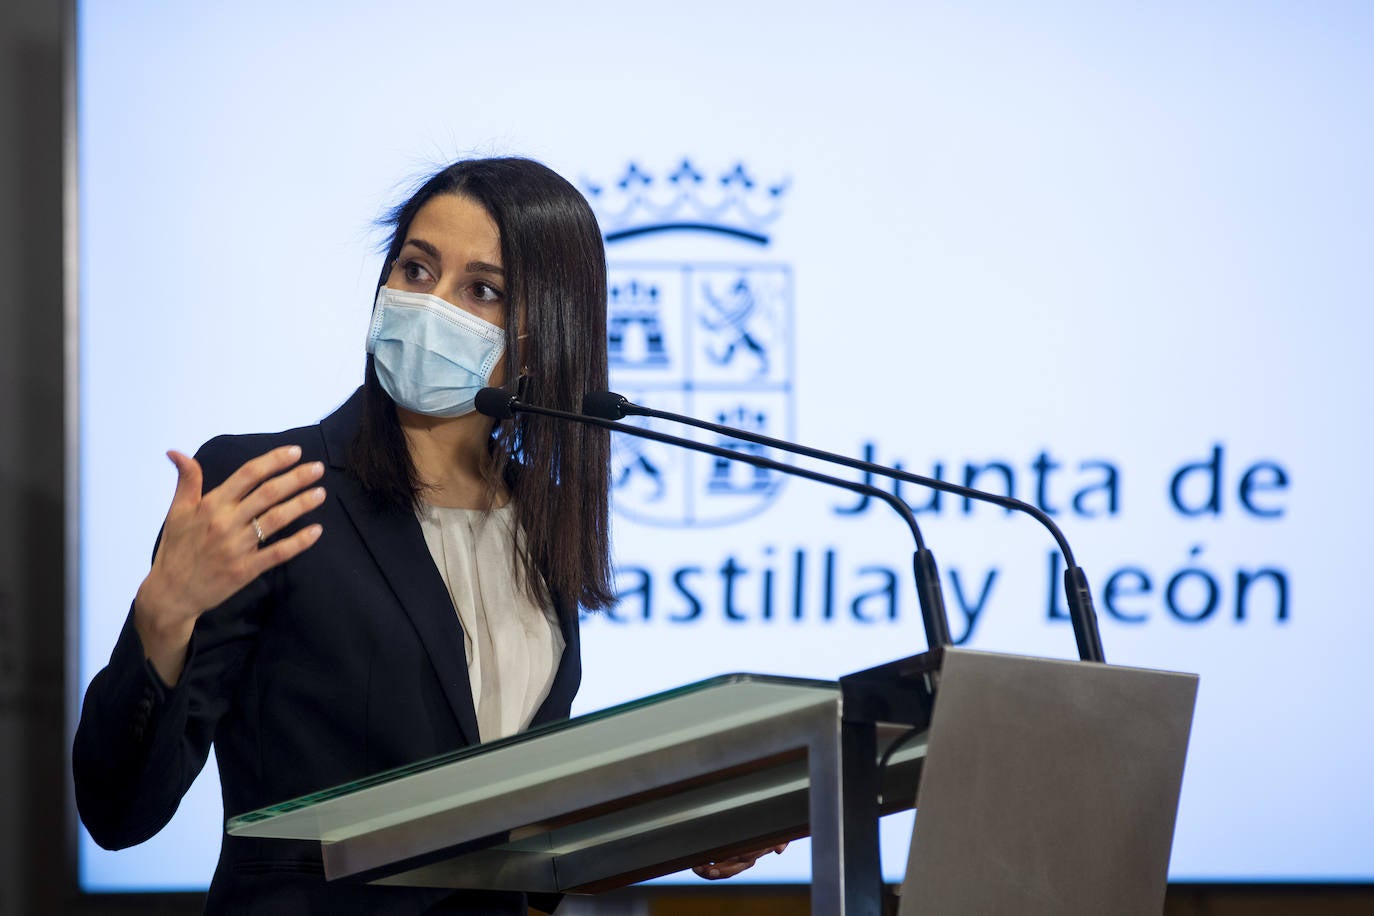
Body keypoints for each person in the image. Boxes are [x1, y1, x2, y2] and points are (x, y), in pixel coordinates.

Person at [73, 157, 780, 915]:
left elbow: (510, 835)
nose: (429, 305)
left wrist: (678, 830)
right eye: (416, 269)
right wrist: (161, 623)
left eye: (482, 290)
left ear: (548, 331)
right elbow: (120, 813)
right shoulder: (273, 484)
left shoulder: (538, 523)